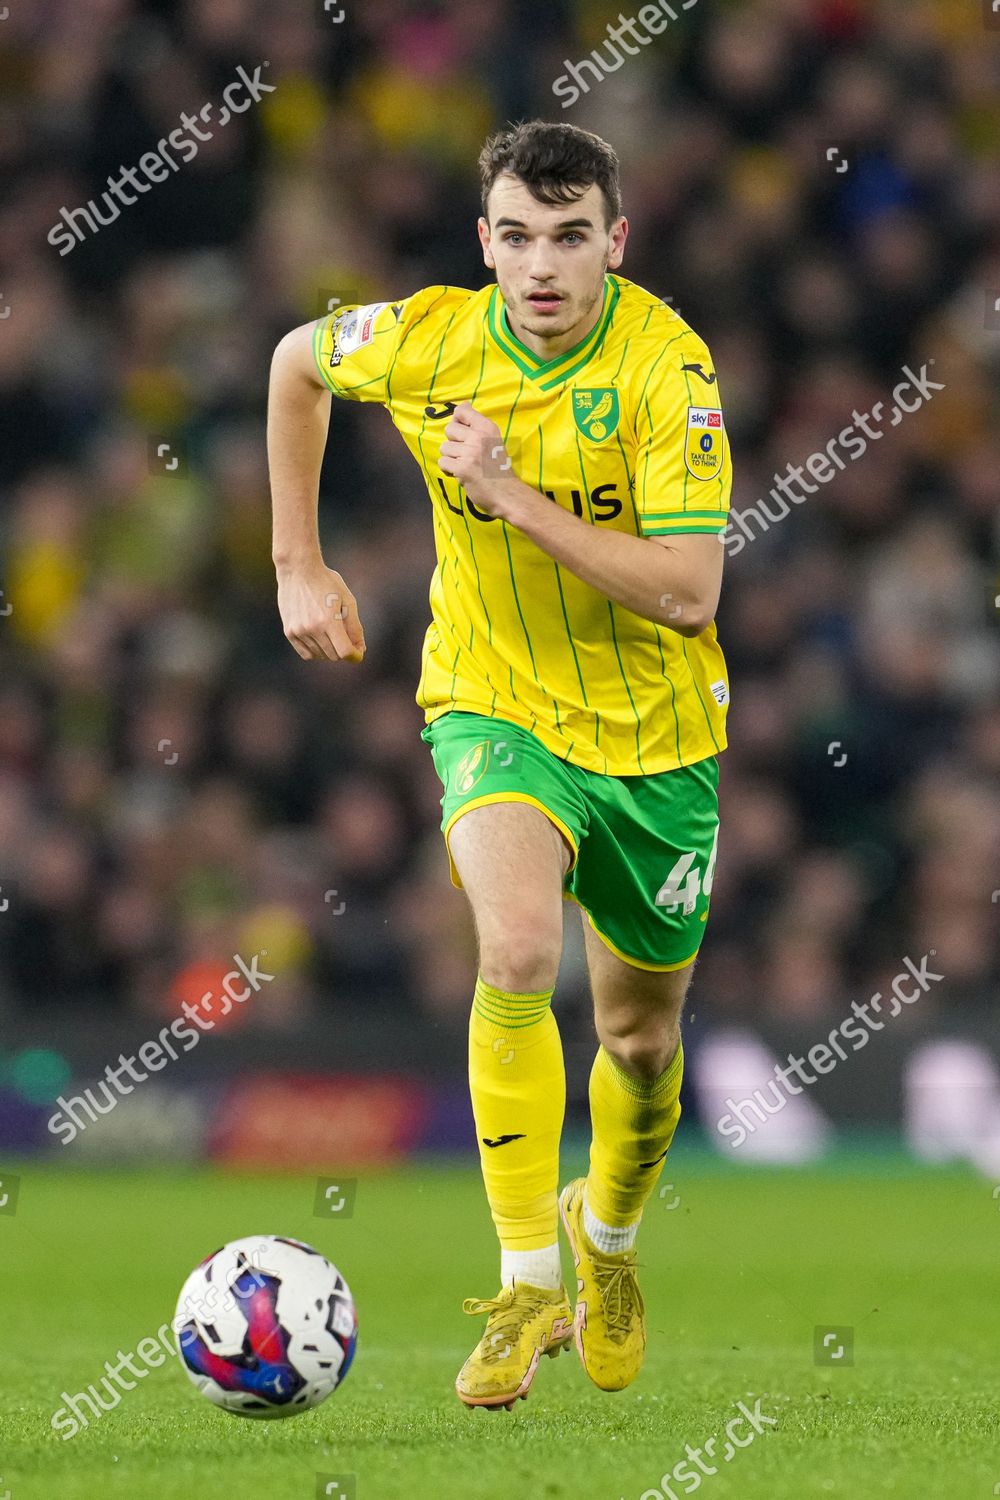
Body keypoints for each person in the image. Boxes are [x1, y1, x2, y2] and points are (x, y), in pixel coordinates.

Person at [267, 119, 731, 1411]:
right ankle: (529, 1281)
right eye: (517, 238)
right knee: (516, 951)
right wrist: (297, 563)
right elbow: (296, 365)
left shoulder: (665, 372)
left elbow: (691, 594)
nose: (541, 267)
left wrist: (515, 494)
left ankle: (610, 1247)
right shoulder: (425, 337)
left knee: (640, 1043)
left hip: (657, 739)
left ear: (614, 244)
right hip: (492, 706)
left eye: (570, 239)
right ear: (484, 243)